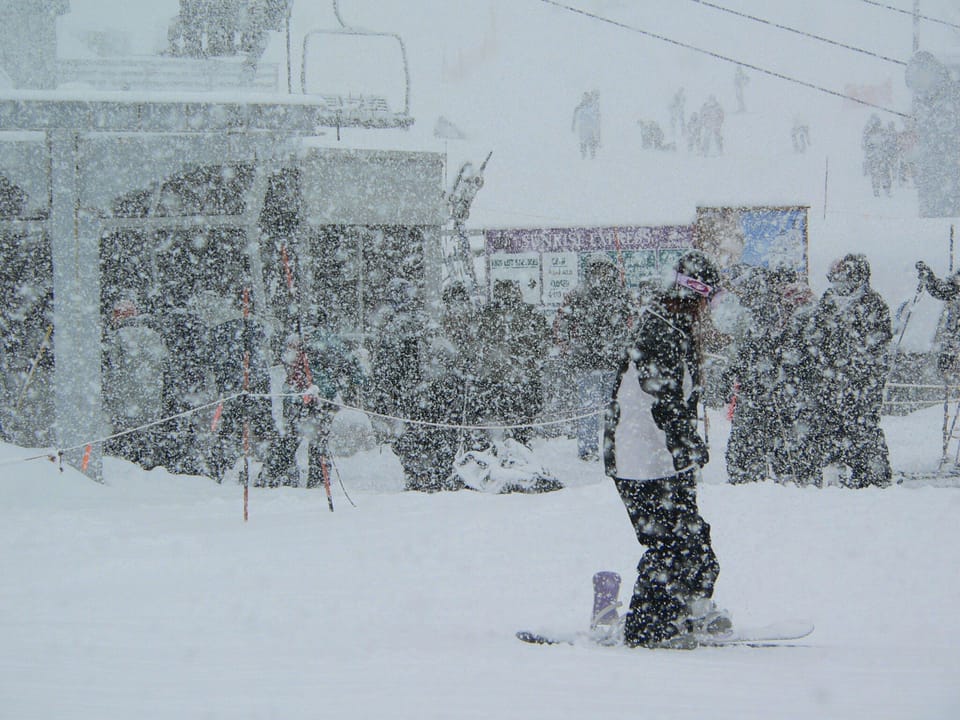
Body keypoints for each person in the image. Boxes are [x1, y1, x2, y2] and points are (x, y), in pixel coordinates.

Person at [603, 250, 730, 649]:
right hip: (639, 459)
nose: (709, 311)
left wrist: (684, 448)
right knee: (669, 542)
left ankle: (692, 606)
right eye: (710, 300)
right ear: (693, 295)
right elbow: (664, 398)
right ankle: (650, 628)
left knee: (691, 534)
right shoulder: (659, 330)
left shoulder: (675, 327)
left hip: (664, 458)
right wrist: (685, 443)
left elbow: (679, 398)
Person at [808, 254, 893, 488]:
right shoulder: (828, 301)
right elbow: (815, 337)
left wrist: (860, 369)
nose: (837, 284)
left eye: (842, 278)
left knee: (863, 427)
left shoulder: (873, 304)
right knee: (829, 425)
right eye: (834, 278)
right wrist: (824, 365)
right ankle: (831, 472)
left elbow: (878, 345)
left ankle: (871, 476)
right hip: (831, 379)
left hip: (862, 382)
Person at [264, 321, 364, 488]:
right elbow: (356, 371)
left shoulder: (293, 339)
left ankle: (275, 477)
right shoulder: (331, 341)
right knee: (318, 442)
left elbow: (286, 362)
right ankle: (318, 481)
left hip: (295, 396)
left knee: (289, 439)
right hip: (320, 398)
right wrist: (340, 384)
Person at [554, 254, 635, 461]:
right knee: (599, 408)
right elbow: (562, 323)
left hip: (603, 360)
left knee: (597, 408)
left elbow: (633, 323)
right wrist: (566, 346)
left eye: (603, 270)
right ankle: (602, 448)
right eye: (598, 270)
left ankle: (600, 448)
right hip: (599, 360)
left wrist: (566, 346)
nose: (601, 274)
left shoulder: (613, 294)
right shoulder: (617, 294)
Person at [723, 267, 784, 484]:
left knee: (749, 434)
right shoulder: (766, 310)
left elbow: (746, 350)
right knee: (759, 434)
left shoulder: (758, 313)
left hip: (757, 386)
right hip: (761, 385)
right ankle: (752, 471)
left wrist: (734, 371)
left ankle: (744, 473)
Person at [477, 279, 549, 446]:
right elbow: (543, 342)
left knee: (499, 421)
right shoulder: (529, 313)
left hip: (499, 378)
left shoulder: (487, 314)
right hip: (520, 377)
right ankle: (519, 446)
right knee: (522, 421)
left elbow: (479, 344)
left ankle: (502, 447)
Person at [102, 294, 168, 469]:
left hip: (124, 406)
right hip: (151, 405)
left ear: (119, 316)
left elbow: (110, 370)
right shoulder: (154, 336)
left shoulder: (116, 338)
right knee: (146, 448)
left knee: (121, 455)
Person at [915, 260, 960, 380]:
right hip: (953, 343)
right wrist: (929, 278)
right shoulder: (955, 289)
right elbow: (944, 290)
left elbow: (945, 290)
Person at [571, 90, 601, 159]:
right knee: (583, 145)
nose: (585, 100)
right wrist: (573, 126)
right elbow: (574, 118)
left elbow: (595, 120)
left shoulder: (591, 107)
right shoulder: (579, 108)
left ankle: (592, 158)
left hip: (590, 131)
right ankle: (583, 158)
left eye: (586, 98)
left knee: (591, 146)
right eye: (584, 98)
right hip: (583, 131)